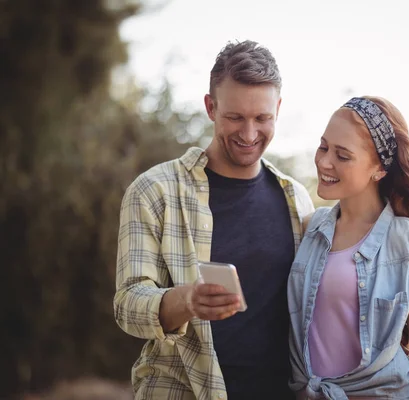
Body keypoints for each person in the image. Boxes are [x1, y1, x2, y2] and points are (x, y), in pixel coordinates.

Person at [114, 40, 314, 400]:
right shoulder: (154, 191)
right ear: (211, 106)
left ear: (278, 109)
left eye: (262, 118)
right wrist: (186, 301)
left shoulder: (296, 199)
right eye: (235, 117)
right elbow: (127, 305)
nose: (250, 134)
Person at [288, 96, 409, 399]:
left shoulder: (407, 241)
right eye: (323, 147)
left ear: (378, 168)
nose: (324, 162)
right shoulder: (310, 227)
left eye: (343, 155)